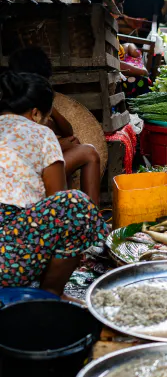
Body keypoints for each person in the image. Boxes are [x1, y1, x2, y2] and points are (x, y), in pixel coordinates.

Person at [0, 71, 108, 295]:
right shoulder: (41, 133)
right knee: (74, 206)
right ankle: (51, 294)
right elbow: (57, 202)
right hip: (8, 261)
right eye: (48, 117)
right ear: (37, 113)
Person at [9, 48, 101, 205]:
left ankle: (82, 214)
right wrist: (59, 146)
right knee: (89, 153)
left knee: (77, 147)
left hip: (30, 168)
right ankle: (89, 219)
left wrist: (51, 107)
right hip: (20, 176)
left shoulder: (31, 100)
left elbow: (67, 131)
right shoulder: (18, 105)